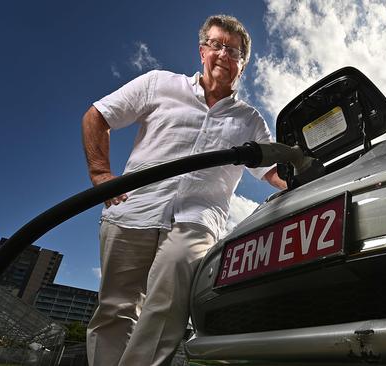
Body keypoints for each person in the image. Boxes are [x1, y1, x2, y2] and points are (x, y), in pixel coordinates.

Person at [82, 15, 285, 365]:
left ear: (243, 64)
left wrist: (313, 176)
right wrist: (101, 173)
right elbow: (97, 116)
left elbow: (273, 172)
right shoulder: (159, 84)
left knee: (167, 304)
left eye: (234, 51)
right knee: (115, 307)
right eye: (217, 45)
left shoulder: (249, 120)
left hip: (196, 219)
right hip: (133, 208)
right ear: (202, 50)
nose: (224, 54)